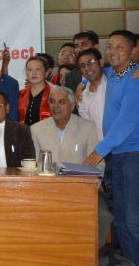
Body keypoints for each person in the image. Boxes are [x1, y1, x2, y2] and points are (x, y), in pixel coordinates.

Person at [84, 30, 139, 266]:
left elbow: (126, 122)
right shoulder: (112, 75)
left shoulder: (138, 79)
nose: (113, 52)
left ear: (133, 51)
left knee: (135, 219)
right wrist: (83, 83)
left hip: (137, 155)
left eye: (120, 47)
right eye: (110, 47)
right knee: (122, 221)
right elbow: (93, 75)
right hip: (119, 156)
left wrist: (99, 151)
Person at [29, 86, 108, 246]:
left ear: (72, 106)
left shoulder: (88, 127)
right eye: (52, 102)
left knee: (103, 215)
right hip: (47, 190)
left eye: (61, 102)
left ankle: (91, 255)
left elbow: (99, 163)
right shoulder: (36, 129)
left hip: (82, 190)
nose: (55, 106)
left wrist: (92, 184)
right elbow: (36, 165)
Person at [18, 56, 51, 126]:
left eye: (38, 69)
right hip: (25, 135)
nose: (33, 73)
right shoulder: (20, 95)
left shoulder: (54, 94)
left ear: (47, 73)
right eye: (30, 70)